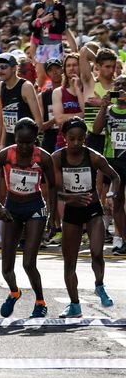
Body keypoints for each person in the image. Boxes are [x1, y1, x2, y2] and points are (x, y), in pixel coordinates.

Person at [0, 118, 55, 318]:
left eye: (29, 142)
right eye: (20, 142)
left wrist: (53, 216)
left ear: (35, 140)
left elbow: (53, 187)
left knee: (29, 263)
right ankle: (14, 292)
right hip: (12, 208)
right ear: (15, 139)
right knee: (6, 267)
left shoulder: (43, 157)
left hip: (35, 208)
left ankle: (40, 301)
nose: (24, 147)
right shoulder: (6, 154)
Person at [52, 118, 119, 318]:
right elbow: (54, 191)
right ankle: (74, 304)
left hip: (92, 209)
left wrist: (111, 195)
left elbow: (115, 176)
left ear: (85, 139)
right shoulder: (57, 158)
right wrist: (70, 198)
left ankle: (99, 284)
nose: (75, 143)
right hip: (71, 211)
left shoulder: (93, 157)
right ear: (64, 138)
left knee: (97, 252)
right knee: (69, 261)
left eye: (80, 139)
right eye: (71, 139)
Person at [92, 76, 126, 254]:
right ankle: (125, 241)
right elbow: (96, 130)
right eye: (117, 85)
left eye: (124, 86)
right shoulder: (109, 110)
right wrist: (103, 106)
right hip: (114, 162)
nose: (120, 88)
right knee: (117, 202)